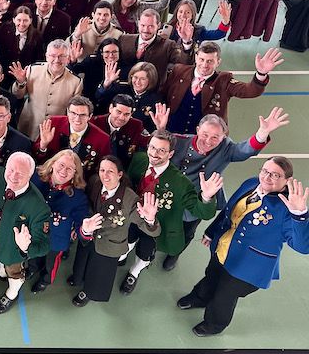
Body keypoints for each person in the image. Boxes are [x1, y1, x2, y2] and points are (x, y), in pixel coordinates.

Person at [178, 157, 309, 336]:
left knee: (225, 295)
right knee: (211, 275)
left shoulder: (287, 209)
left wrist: (299, 214)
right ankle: (200, 297)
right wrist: (211, 231)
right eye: (265, 171)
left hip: (249, 266)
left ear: (287, 181)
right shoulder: (251, 183)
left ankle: (214, 324)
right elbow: (228, 211)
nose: (267, 177)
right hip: (224, 248)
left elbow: (303, 247)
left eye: (275, 175)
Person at [163, 107, 289, 270]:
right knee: (164, 222)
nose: (208, 141)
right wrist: (160, 128)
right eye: (205, 134)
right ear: (197, 130)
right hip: (172, 194)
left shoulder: (226, 148)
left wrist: (262, 132)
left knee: (187, 231)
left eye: (215, 137)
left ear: (223, 137)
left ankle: (175, 253)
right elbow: (156, 148)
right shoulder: (179, 141)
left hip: (200, 199)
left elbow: (245, 150)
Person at [119, 130, 223, 295]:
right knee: (127, 241)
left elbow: (203, 212)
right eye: (152, 147)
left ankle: (134, 272)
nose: (155, 154)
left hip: (156, 227)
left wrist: (206, 197)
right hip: (132, 218)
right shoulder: (139, 160)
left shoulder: (180, 182)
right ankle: (123, 255)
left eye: (162, 150)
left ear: (171, 154)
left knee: (145, 253)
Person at [70, 156, 160, 306]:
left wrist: (150, 219)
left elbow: (151, 230)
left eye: (110, 171)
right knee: (82, 261)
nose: (105, 175)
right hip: (89, 236)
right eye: (102, 170)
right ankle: (78, 278)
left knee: (100, 273)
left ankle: (88, 292)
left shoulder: (129, 198)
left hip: (109, 245)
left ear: (119, 174)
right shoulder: (94, 182)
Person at [0, 153, 51, 314]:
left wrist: (25, 248)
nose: (13, 176)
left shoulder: (39, 207)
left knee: (14, 273)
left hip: (14, 252)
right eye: (11, 170)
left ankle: (10, 294)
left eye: (20, 173)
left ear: (30, 176)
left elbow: (44, 246)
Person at [162, 42, 279, 135]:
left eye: (210, 61)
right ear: (196, 58)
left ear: (218, 62)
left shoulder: (224, 80)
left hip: (205, 139)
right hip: (172, 131)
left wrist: (261, 73)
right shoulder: (179, 71)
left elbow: (249, 91)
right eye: (202, 59)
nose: (205, 65)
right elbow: (163, 94)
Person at [29, 150, 89, 293]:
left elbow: (81, 224)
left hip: (57, 238)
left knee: (51, 263)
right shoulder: (36, 177)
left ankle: (45, 280)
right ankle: (32, 269)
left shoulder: (78, 197)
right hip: (35, 230)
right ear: (53, 163)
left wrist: (85, 230)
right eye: (61, 165)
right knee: (33, 255)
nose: (64, 171)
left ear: (75, 173)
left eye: (70, 169)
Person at [12, 39, 83, 140]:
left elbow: (73, 113)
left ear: (68, 58)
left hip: (55, 133)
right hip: (27, 128)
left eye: (61, 56)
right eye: (53, 56)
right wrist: (21, 82)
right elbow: (18, 95)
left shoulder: (76, 81)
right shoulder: (32, 70)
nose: (57, 60)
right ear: (46, 56)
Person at [32, 96, 111, 178]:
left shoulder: (103, 139)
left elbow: (100, 169)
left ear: (90, 116)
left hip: (79, 181)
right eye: (73, 113)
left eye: (82, 115)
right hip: (48, 175)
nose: (77, 119)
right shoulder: (53, 123)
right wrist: (43, 145)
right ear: (67, 112)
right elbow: (35, 156)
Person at [118, 8, 190, 89]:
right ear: (138, 23)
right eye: (143, 25)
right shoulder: (124, 40)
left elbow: (184, 64)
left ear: (158, 25)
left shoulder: (168, 45)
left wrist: (186, 41)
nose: (146, 30)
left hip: (153, 91)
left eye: (150, 26)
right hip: (123, 88)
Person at [96, 61, 164, 133]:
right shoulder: (121, 88)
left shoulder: (155, 100)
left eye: (142, 79)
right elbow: (99, 98)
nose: (137, 82)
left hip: (137, 135)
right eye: (135, 77)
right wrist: (106, 84)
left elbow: (154, 127)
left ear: (150, 80)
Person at [160, 0, 231, 49]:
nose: (183, 15)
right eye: (180, 12)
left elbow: (219, 34)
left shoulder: (198, 31)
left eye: (187, 12)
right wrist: (158, 39)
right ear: (176, 13)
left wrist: (225, 21)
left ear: (192, 15)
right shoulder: (166, 28)